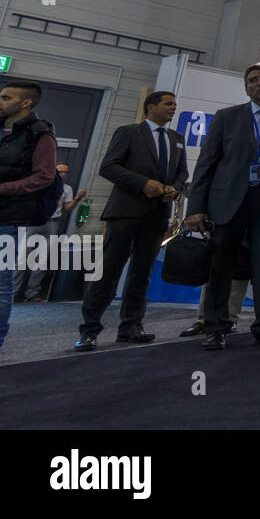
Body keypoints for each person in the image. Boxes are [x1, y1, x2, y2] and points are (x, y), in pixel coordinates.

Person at [184, 62, 260, 350]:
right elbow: (206, 163)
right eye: (253, 80)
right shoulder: (227, 117)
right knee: (221, 266)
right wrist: (195, 208)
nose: (259, 84)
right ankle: (216, 327)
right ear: (246, 87)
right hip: (229, 200)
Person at [74, 91, 188, 351]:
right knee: (109, 272)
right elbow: (109, 166)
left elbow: (182, 173)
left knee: (142, 273)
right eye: (168, 104)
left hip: (157, 215)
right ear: (151, 107)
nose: (173, 108)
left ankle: (131, 327)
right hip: (125, 212)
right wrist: (142, 183)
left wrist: (174, 187)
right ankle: (90, 330)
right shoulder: (128, 132)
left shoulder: (176, 139)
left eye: (175, 104)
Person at [0, 81, 57, 350]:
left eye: (6, 97)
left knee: (1, 283)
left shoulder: (40, 135)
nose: (0, 101)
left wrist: (5, 189)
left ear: (25, 103)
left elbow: (44, 176)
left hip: (8, 219)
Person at [14, 163, 82, 302]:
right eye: (60, 171)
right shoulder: (42, 184)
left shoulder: (66, 188)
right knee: (22, 257)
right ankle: (13, 292)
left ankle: (32, 294)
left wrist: (78, 199)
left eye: (65, 172)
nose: (62, 174)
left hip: (52, 222)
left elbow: (67, 208)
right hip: (34, 221)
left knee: (43, 260)